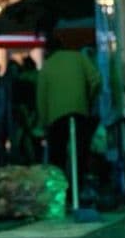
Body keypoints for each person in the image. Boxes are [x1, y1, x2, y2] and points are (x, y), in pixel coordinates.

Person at [37, 37, 102, 215]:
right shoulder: (79, 58)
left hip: (56, 117)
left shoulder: (47, 66)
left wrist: (44, 123)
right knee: (80, 154)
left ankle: (60, 195)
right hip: (80, 112)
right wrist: (89, 98)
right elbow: (96, 80)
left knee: (57, 157)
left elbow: (41, 98)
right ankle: (77, 191)